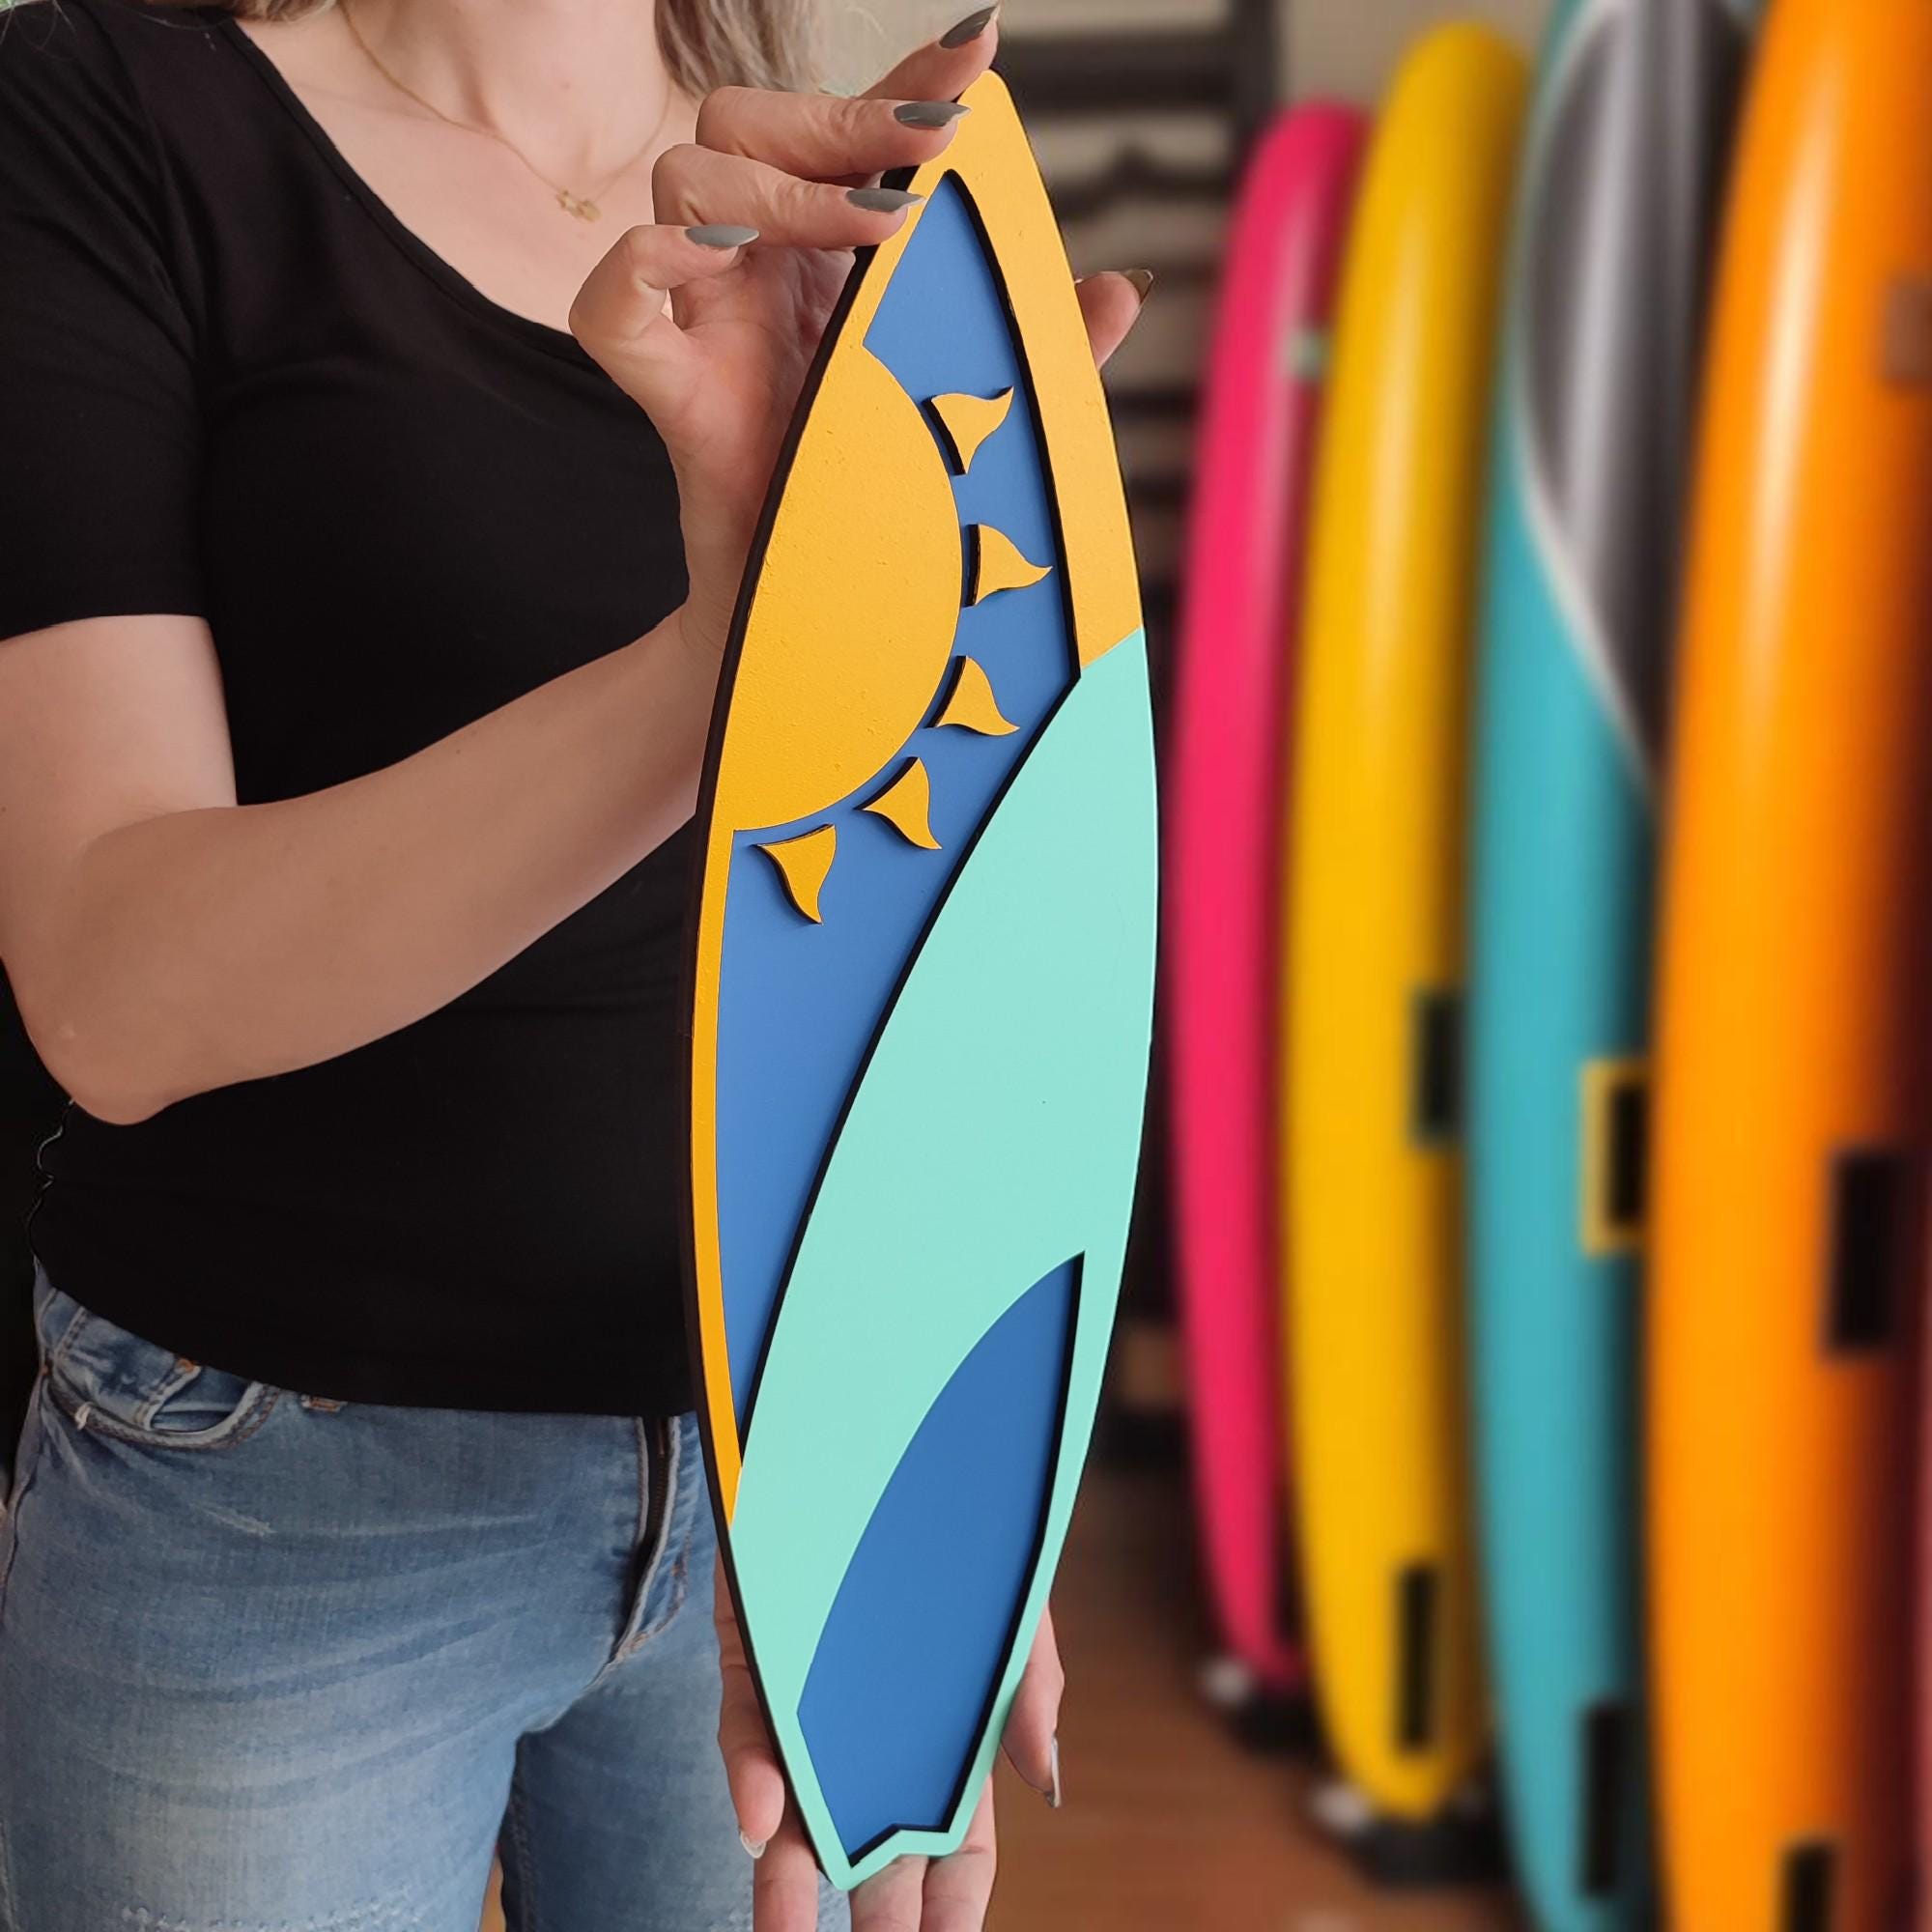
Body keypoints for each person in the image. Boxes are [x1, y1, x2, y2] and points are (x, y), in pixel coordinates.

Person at [0, 0, 1147, 1924]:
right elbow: (113, 994)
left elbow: (928, 938)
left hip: (774, 1474)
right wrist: (737, 655)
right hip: (273, 1493)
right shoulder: (102, 119)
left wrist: (949, 1483)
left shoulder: (853, 220)